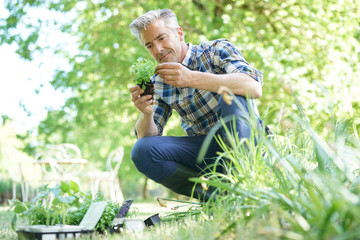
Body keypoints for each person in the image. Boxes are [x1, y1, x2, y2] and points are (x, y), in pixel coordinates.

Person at [129, 9, 264, 201]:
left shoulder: (215, 51)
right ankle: (218, 198)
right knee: (141, 151)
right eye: (149, 45)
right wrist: (147, 113)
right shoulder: (159, 82)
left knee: (231, 97)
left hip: (248, 143)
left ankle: (247, 186)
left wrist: (191, 78)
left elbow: (253, 86)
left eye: (161, 38)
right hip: (205, 152)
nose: (157, 49)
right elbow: (146, 139)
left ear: (179, 33)